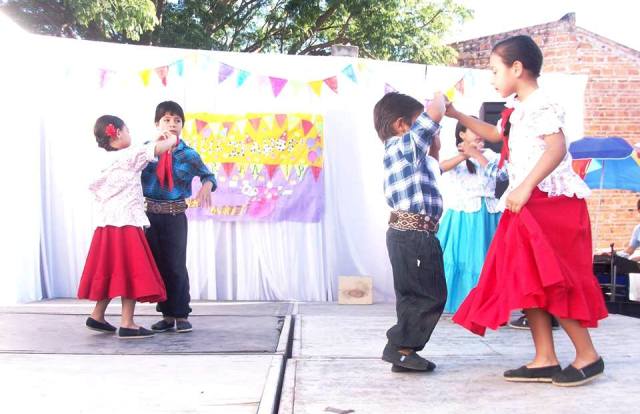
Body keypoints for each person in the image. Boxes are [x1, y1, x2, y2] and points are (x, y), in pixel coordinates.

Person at [446, 35, 608, 386]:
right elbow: (494, 135)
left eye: (495, 70)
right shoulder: (517, 108)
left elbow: (557, 148)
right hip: (526, 204)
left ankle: (588, 355)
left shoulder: (540, 104)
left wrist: (525, 186)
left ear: (517, 68)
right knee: (528, 278)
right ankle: (545, 357)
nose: (492, 78)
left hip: (550, 203)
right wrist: (456, 114)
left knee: (554, 278)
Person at [78, 115, 176, 339]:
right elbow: (158, 148)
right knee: (131, 270)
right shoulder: (130, 156)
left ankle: (97, 315)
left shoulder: (101, 160)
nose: (130, 135)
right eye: (128, 130)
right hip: (126, 223)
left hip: (106, 225)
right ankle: (127, 322)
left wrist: (155, 140)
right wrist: (171, 137)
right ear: (119, 133)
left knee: (112, 270)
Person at [373, 91, 448, 373]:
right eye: (419, 123)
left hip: (413, 235)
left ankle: (404, 353)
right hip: (413, 234)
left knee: (414, 294)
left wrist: (435, 147)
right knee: (428, 296)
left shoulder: (410, 156)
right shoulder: (402, 145)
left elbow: (432, 170)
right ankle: (400, 347)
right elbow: (435, 112)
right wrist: (440, 98)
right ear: (401, 125)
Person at [142, 101, 216, 334]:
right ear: (157, 124)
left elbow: (209, 175)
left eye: (177, 120)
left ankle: (181, 314)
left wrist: (207, 185)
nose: (172, 124)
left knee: (175, 265)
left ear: (182, 125)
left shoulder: (188, 154)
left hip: (175, 216)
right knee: (158, 266)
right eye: (167, 120)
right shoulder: (146, 152)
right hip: (149, 217)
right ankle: (166, 316)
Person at [437, 118, 502, 313]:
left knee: (486, 258)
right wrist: (464, 155)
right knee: (463, 257)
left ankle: (486, 304)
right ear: (462, 134)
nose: (479, 133)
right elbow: (440, 168)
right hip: (464, 213)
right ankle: (462, 302)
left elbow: (500, 174)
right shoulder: (454, 155)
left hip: (488, 214)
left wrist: (476, 154)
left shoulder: (491, 155)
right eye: (473, 130)